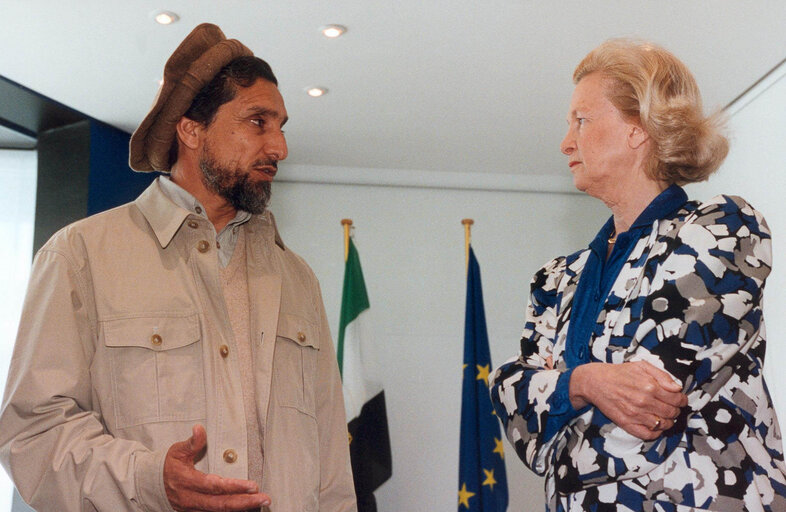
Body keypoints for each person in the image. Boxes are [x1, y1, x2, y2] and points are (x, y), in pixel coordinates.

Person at [0, 23, 357, 512]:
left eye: (281, 126)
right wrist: (148, 481)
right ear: (191, 129)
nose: (280, 148)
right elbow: (33, 434)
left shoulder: (298, 279)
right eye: (258, 122)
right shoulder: (79, 257)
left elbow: (333, 466)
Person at [490, 39, 786, 511]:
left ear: (638, 128)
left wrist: (554, 390)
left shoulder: (723, 230)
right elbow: (512, 408)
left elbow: (651, 404)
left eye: (581, 120)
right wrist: (586, 382)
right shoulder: (555, 279)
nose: (565, 141)